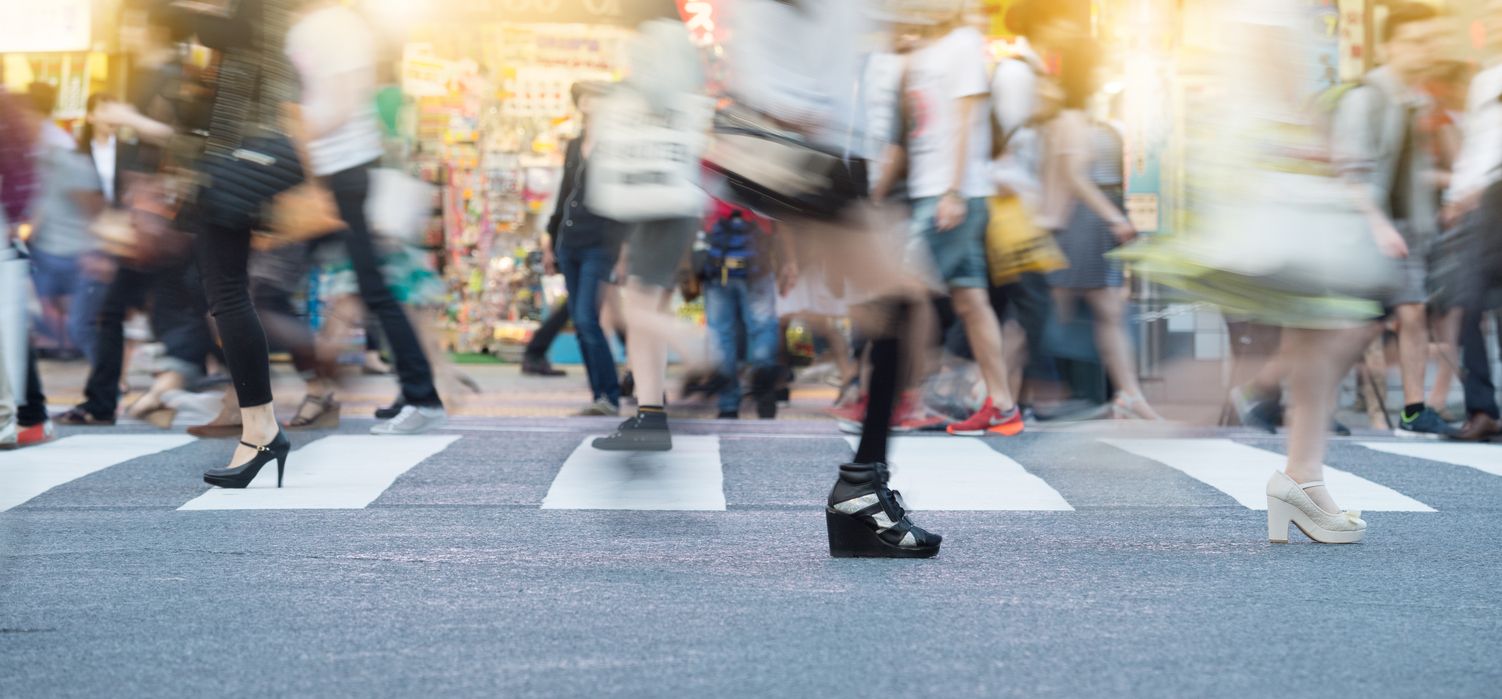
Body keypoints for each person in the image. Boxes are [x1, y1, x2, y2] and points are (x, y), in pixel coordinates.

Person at [1118, 0, 1409, 544]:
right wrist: (1330, 148)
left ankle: (1302, 475)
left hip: (1273, 167)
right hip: (1277, 172)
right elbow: (1276, 64)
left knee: (1317, 329)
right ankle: (1165, 429)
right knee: (1331, 323)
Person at [731, 0, 943, 557]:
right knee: (904, 305)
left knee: (901, 310)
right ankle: (861, 490)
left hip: (831, 157)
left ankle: (863, 486)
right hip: (808, 154)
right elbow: (761, 65)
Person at [286, 0, 446, 435]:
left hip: (340, 174)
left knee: (369, 289)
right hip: (337, 174)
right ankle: (410, 391)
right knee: (367, 289)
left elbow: (341, 104)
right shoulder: (333, 24)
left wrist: (292, 129)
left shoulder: (331, 25)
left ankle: (419, 395)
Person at [57, 6, 217, 429]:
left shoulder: (172, 76)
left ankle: (184, 388)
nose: (125, 31)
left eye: (132, 23)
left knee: (177, 312)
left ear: (153, 29)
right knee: (116, 312)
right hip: (143, 222)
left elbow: (185, 141)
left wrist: (132, 119)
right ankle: (118, 399)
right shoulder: (140, 77)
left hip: (167, 220)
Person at [876, 6, 1024, 438]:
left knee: (904, 288)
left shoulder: (963, 44)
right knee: (971, 302)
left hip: (952, 194)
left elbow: (966, 122)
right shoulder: (925, 51)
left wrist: (954, 192)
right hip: (932, 191)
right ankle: (1002, 405)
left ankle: (915, 399)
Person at [590, 22, 718, 452]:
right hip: (673, 198)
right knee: (648, 309)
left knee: (636, 309)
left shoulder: (652, 61)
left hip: (655, 200)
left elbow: (653, 94)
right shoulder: (686, 76)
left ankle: (698, 348)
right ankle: (650, 415)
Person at [1333, 2, 1454, 438]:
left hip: (1406, 231)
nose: (1424, 50)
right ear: (1389, 47)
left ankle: (1414, 411)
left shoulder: (1416, 101)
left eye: (1429, 41)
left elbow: (1410, 174)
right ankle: (1271, 392)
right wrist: (1378, 225)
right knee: (1360, 325)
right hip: (1367, 228)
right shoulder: (1366, 97)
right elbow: (1349, 172)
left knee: (1413, 312)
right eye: (1414, 42)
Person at [1040, 57, 1161, 420]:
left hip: (1092, 222)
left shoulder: (1090, 117)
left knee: (1101, 308)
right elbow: (1075, 177)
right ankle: (997, 386)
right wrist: (1114, 218)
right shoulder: (1072, 119)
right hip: (1082, 220)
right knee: (1055, 307)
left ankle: (1128, 394)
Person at [544, 81, 627, 417]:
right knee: (581, 325)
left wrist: (623, 251)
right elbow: (563, 195)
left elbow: (622, 202)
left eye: (595, 98)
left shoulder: (616, 145)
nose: (589, 103)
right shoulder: (575, 145)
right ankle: (599, 395)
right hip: (569, 241)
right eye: (584, 98)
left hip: (601, 243)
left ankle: (610, 396)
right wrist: (550, 240)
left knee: (586, 318)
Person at [1440, 0, 1502, 442]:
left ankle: (1483, 409)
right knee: (1466, 302)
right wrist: (1455, 196)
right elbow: (1475, 144)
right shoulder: (1482, 81)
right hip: (1480, 206)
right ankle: (1481, 409)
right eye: (1491, 22)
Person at [26, 89, 108, 362]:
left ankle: (95, 365)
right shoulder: (47, 143)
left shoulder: (58, 146)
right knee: (56, 306)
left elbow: (89, 202)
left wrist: (96, 244)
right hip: (51, 243)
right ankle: (65, 345)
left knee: (77, 320)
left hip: (74, 245)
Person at [700, 201, 792, 419]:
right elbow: (782, 220)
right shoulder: (758, 185)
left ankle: (728, 404)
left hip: (717, 269)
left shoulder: (711, 185)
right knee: (763, 327)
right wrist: (789, 261)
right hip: (757, 268)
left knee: (721, 334)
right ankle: (763, 386)